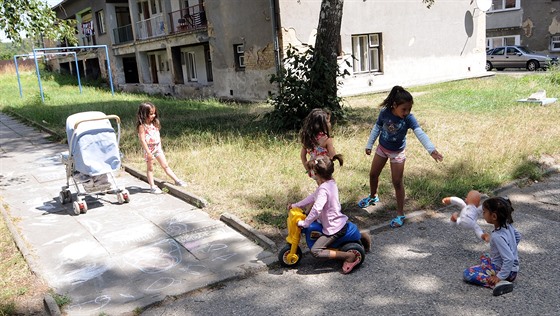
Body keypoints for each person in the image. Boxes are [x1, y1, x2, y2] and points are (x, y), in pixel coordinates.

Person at [358, 85, 443, 228]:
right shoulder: (384, 113)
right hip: (382, 149)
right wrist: (369, 144)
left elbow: (419, 132)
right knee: (373, 174)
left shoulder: (409, 118)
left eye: (409, 109)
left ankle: (400, 214)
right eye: (404, 109)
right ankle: (373, 197)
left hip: (397, 153)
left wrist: (431, 149)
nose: (407, 112)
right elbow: (377, 128)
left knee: (397, 182)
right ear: (394, 105)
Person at [287, 155, 365, 274]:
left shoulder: (323, 189)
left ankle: (348, 256)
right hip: (334, 222)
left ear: (315, 173)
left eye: (311, 171)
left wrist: (306, 222)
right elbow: (313, 197)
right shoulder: (329, 183)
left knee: (316, 251)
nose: (310, 173)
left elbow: (317, 209)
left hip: (334, 228)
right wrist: (296, 205)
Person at [463, 197, 521, 296]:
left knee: (468, 273)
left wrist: (499, 276)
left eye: (484, 212)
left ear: (494, 216)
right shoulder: (508, 225)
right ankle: (492, 272)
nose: (483, 214)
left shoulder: (497, 236)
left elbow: (509, 259)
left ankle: (498, 283)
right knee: (485, 256)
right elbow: (518, 236)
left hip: (506, 272)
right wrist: (510, 247)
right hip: (512, 270)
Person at [136, 102, 186, 194]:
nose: (153, 115)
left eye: (154, 113)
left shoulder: (154, 124)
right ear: (144, 114)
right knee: (150, 168)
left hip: (158, 148)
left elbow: (157, 136)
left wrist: (159, 147)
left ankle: (177, 180)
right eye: (151, 114)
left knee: (165, 165)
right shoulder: (142, 126)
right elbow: (142, 140)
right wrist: (148, 152)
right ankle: (152, 186)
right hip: (149, 150)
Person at [299, 108, 336, 182]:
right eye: (328, 121)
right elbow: (333, 156)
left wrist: (308, 169)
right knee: (330, 186)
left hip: (314, 171)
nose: (330, 124)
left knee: (320, 186)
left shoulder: (308, 138)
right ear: (323, 125)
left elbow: (302, 155)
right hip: (324, 169)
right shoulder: (326, 139)